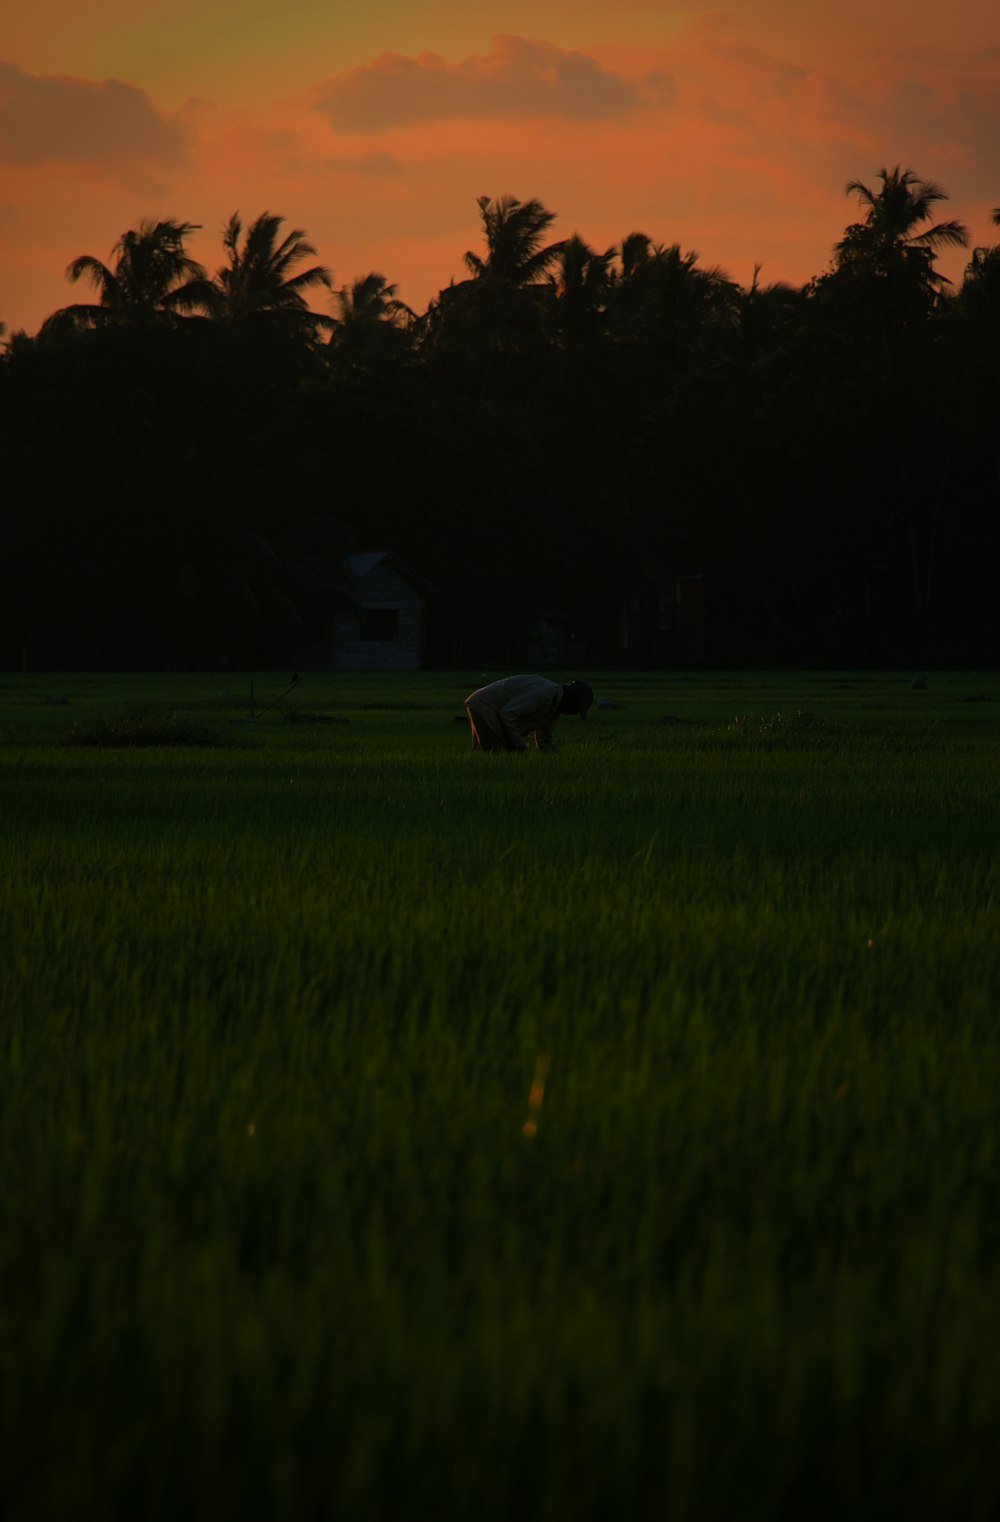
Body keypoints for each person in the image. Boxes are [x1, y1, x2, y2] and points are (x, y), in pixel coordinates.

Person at [465, 675, 594, 752]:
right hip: (485, 705)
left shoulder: (554, 709)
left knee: (507, 753)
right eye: (575, 709)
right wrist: (519, 744)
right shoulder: (543, 694)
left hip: (496, 710)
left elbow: (545, 738)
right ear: (570, 700)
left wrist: (557, 758)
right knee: (496, 753)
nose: (573, 714)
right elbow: (507, 713)